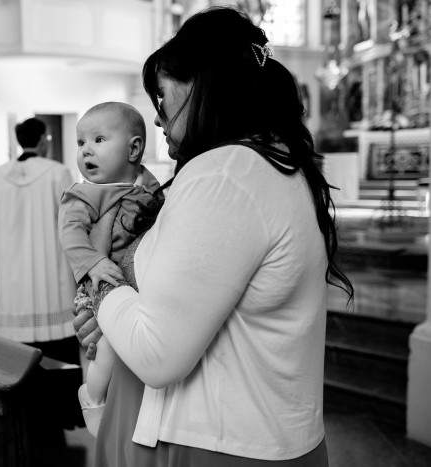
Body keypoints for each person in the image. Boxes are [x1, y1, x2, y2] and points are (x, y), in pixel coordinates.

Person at [73, 6, 354, 466]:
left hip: (213, 444)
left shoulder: (225, 172)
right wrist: (119, 315)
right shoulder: (274, 162)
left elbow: (158, 355)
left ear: (199, 85)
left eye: (161, 98)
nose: (159, 119)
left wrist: (104, 293)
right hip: (259, 432)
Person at [58, 102, 160, 436]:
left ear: (134, 149)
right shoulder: (86, 193)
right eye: (80, 142)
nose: (85, 150)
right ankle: (93, 396)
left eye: (98, 139)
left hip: (137, 291)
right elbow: (70, 233)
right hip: (100, 286)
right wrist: (94, 262)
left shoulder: (148, 185)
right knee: (107, 350)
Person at [0, 117, 83, 437]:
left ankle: (26, 409)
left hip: (13, 280)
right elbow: (72, 222)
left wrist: (8, 249)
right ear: (44, 139)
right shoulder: (57, 172)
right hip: (53, 279)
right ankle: (63, 413)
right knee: (61, 349)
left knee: (21, 352)